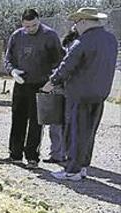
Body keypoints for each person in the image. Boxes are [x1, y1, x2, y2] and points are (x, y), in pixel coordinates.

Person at [42, 8, 118, 181]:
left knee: (74, 132)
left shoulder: (82, 41)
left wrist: (52, 82)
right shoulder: (111, 40)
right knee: (89, 132)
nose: (75, 26)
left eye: (76, 22)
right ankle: (83, 167)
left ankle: (72, 170)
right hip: (100, 94)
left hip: (79, 94)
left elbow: (67, 66)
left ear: (84, 21)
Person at [0, 9, 63, 168]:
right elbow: (8, 59)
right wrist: (12, 71)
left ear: (39, 20)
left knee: (36, 122)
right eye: (27, 26)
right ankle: (15, 155)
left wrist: (52, 81)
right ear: (22, 23)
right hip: (20, 84)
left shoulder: (50, 36)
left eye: (34, 25)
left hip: (40, 85)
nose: (30, 29)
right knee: (17, 119)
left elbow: (59, 61)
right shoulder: (17, 36)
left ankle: (32, 158)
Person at [44, 29, 80, 165]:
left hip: (64, 89)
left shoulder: (71, 46)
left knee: (58, 123)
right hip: (66, 89)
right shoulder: (71, 46)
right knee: (62, 123)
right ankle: (62, 154)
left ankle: (59, 154)